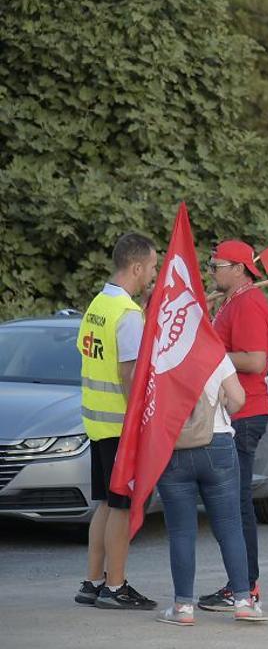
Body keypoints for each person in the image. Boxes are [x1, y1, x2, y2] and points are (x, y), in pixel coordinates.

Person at [74, 233, 159, 610]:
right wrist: (140, 423)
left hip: (96, 421)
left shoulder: (98, 304)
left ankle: (92, 582)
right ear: (136, 266)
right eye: (153, 267)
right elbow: (129, 374)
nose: (153, 274)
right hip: (119, 426)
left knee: (107, 505)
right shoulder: (126, 316)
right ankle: (115, 586)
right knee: (120, 507)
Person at [156, 354, 268, 625]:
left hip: (173, 447)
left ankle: (183, 607)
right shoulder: (213, 353)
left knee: (182, 532)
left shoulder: (158, 353)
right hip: (217, 443)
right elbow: (239, 398)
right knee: (230, 527)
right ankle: (243, 601)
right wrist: (222, 404)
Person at [198, 241, 268, 612]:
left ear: (240, 268)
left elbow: (255, 359)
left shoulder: (248, 303)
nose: (211, 271)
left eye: (216, 266)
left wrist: (206, 352)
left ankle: (245, 585)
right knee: (229, 502)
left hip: (244, 414)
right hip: (232, 413)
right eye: (211, 265)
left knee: (237, 503)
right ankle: (240, 583)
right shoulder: (232, 302)